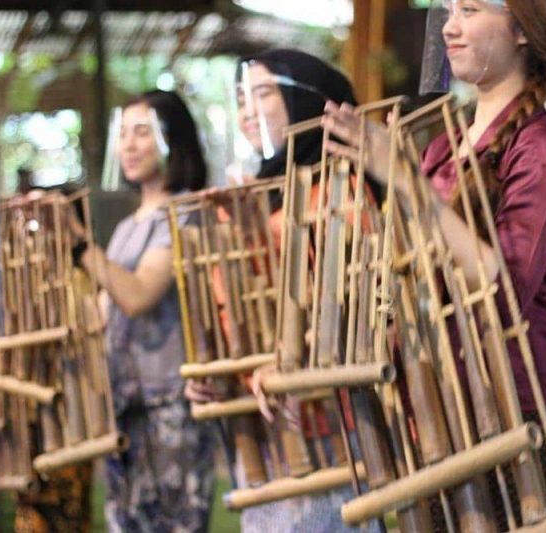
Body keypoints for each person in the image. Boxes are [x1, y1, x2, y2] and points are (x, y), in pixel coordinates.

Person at [324, 0, 546, 514]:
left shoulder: (545, 147)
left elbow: (504, 292)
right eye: (446, 11)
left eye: (469, 9)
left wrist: (404, 180)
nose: (449, 26)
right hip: (440, 405)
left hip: (523, 407)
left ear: (521, 29)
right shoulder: (442, 148)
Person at [184, 49, 375, 533]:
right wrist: (216, 374)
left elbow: (352, 306)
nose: (247, 109)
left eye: (262, 93)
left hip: (330, 428)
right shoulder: (242, 200)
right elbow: (230, 313)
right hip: (259, 431)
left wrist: (292, 359)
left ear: (308, 100)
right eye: (240, 98)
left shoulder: (338, 190)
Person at [74, 90, 216, 532]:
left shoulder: (185, 213)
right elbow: (106, 311)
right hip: (126, 410)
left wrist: (78, 245)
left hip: (169, 407)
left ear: (174, 140)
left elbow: (136, 295)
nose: (128, 146)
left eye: (142, 132)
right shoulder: (126, 227)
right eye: (123, 134)